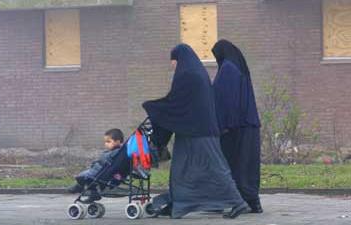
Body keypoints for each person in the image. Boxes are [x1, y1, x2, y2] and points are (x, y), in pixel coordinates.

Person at [142, 44, 248, 219]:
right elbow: (181, 103)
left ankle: (238, 202)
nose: (172, 65)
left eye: (173, 61)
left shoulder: (187, 75)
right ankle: (179, 204)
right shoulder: (197, 73)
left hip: (199, 132)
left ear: (180, 59)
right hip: (192, 131)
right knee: (181, 170)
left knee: (216, 168)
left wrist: (154, 108)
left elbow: (176, 103)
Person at [212, 39, 263, 213]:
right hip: (248, 124)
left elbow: (227, 100)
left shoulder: (228, 69)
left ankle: (241, 202)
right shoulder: (237, 68)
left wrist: (223, 125)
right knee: (248, 165)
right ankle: (251, 201)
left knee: (236, 164)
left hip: (235, 127)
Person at [67, 128, 125, 202]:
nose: (106, 144)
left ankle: (79, 187)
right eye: (105, 142)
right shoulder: (119, 152)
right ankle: (93, 194)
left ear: (117, 142)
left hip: (100, 172)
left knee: (82, 177)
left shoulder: (116, 152)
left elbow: (104, 160)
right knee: (90, 179)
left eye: (108, 141)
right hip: (101, 171)